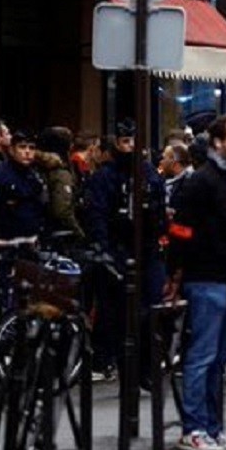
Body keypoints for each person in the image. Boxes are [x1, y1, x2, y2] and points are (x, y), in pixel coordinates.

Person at [167, 114, 226, 450]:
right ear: (218, 143)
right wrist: (176, 272)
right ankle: (194, 428)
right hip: (206, 276)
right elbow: (180, 229)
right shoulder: (203, 181)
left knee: (217, 358)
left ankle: (213, 427)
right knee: (202, 356)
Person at [83, 120, 168, 380]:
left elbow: (159, 211)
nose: (130, 147)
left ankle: (146, 364)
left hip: (148, 250)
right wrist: (103, 247)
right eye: (125, 142)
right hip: (117, 250)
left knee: (151, 308)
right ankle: (115, 362)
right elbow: (96, 214)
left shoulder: (150, 174)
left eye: (134, 141)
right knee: (116, 312)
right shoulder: (105, 176)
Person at [36, 126, 85, 242]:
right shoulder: (60, 172)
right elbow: (62, 211)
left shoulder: (38, 165)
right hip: (58, 234)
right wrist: (80, 233)